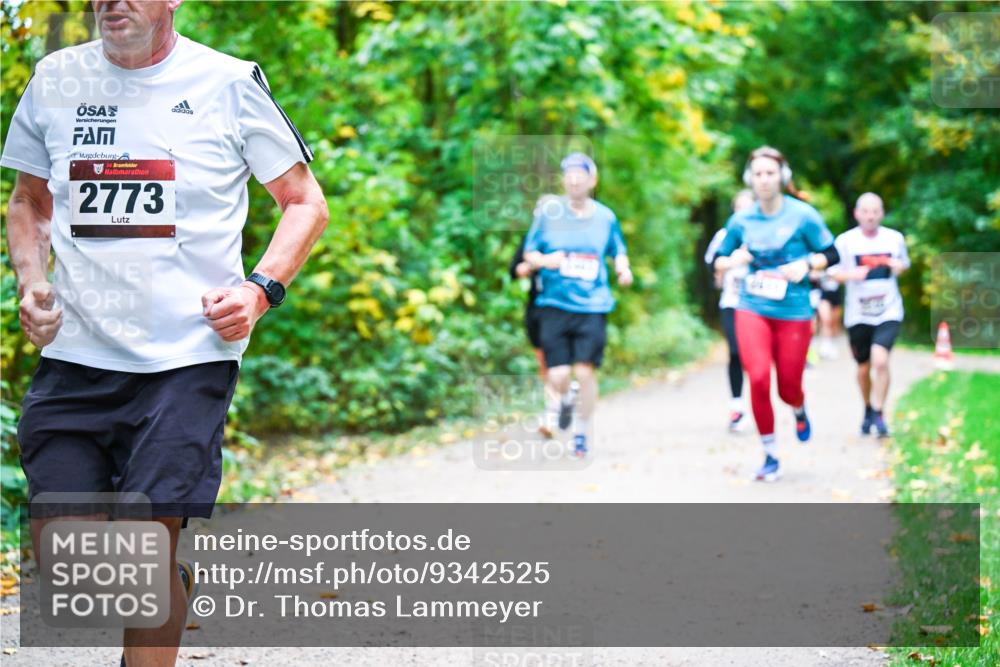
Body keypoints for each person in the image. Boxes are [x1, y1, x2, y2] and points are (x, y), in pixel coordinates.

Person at [2, 2, 328, 665]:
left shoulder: (229, 82)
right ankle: (170, 581)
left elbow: (305, 202)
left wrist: (258, 290)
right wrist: (32, 283)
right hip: (77, 355)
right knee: (71, 563)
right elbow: (30, 201)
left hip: (187, 357)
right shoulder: (56, 78)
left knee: (145, 544)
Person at [713, 146, 839, 481]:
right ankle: (770, 454)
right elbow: (718, 259)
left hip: (794, 312)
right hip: (752, 308)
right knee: (757, 378)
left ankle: (798, 406)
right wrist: (732, 261)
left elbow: (833, 253)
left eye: (770, 173)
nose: (764, 179)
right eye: (758, 174)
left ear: (782, 177)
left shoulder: (803, 215)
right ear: (749, 179)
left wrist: (807, 264)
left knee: (788, 386)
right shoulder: (741, 220)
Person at [523, 153, 632, 457]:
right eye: (568, 175)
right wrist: (546, 261)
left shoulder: (606, 217)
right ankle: (565, 400)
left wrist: (623, 268)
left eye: (580, 175)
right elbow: (529, 254)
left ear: (592, 180)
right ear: (563, 180)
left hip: (593, 305)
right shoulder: (549, 215)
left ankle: (581, 433)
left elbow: (618, 250)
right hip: (554, 304)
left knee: (584, 373)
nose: (574, 180)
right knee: (558, 375)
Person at [830, 192, 909, 438]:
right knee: (863, 368)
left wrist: (899, 267)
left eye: (875, 211)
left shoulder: (894, 239)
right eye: (866, 211)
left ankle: (879, 412)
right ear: (857, 214)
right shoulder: (845, 241)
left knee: (881, 361)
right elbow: (832, 273)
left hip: (888, 310)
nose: (871, 216)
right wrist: (851, 275)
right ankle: (867, 408)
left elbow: (904, 265)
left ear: (882, 213)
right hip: (858, 314)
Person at [703, 189, 754, 431]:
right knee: (735, 351)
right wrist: (729, 264)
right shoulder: (724, 236)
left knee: (755, 357)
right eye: (738, 208)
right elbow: (711, 263)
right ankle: (737, 407)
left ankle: (759, 404)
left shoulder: (765, 234)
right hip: (732, 302)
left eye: (748, 207)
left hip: (759, 305)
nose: (743, 213)